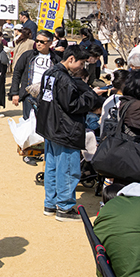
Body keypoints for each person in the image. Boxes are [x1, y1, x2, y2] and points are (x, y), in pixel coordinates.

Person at [36, 45, 107, 221]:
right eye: (81, 63)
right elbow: (73, 105)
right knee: (67, 169)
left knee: (52, 166)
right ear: (71, 59)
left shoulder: (49, 73)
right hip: (65, 129)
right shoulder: (65, 79)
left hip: (50, 127)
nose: (82, 67)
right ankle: (65, 208)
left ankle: (51, 204)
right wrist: (92, 94)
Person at [10, 30, 58, 119]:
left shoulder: (56, 59)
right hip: (29, 93)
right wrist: (15, 93)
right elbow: (17, 73)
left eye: (42, 42)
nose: (38, 44)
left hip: (47, 96)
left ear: (50, 43)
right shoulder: (28, 55)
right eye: (37, 41)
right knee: (28, 122)